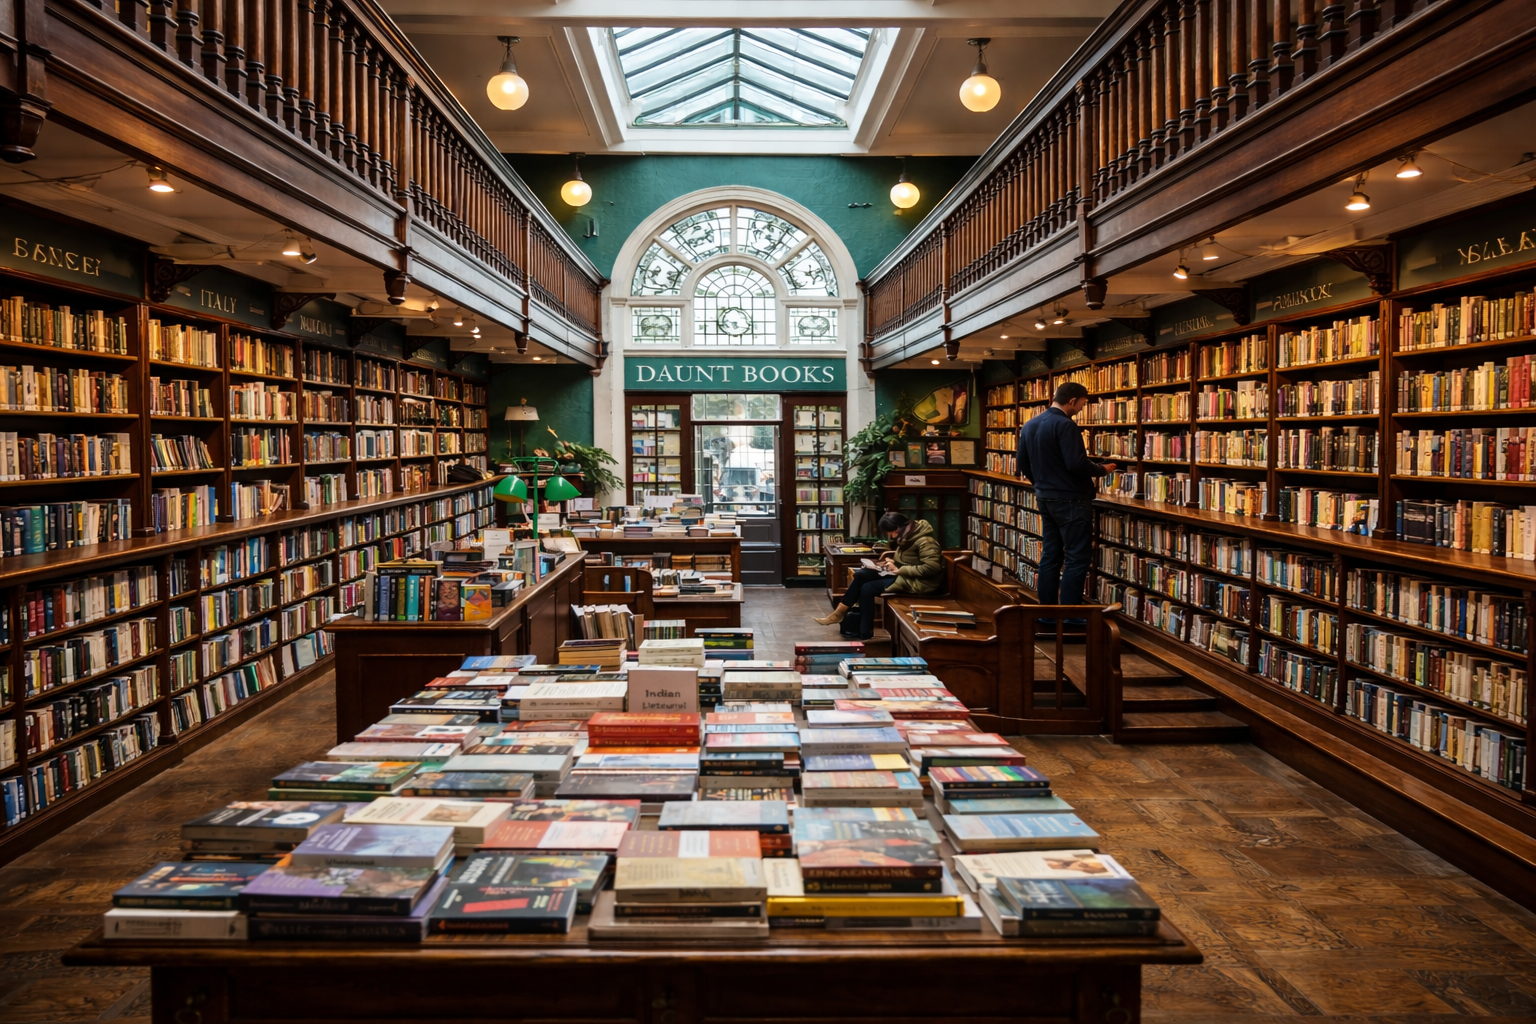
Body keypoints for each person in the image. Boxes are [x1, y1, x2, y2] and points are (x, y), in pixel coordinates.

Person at [1016, 381, 1117, 614]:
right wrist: (1101, 470)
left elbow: (1022, 463)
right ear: (1072, 401)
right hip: (1071, 500)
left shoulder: (1030, 425)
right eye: (1082, 403)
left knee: (1050, 555)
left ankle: (1048, 613)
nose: (1082, 408)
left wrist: (1040, 484)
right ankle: (1070, 616)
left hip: (1045, 497)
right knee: (1076, 557)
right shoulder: (1066, 425)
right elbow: (1076, 464)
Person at [814, 512, 942, 640]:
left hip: (919, 582)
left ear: (897, 529)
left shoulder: (925, 541)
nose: (889, 536)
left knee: (867, 588)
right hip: (904, 575)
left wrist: (900, 569)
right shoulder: (907, 536)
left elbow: (932, 568)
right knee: (861, 575)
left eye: (889, 532)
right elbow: (910, 559)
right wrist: (892, 562)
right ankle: (840, 611)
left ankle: (865, 633)